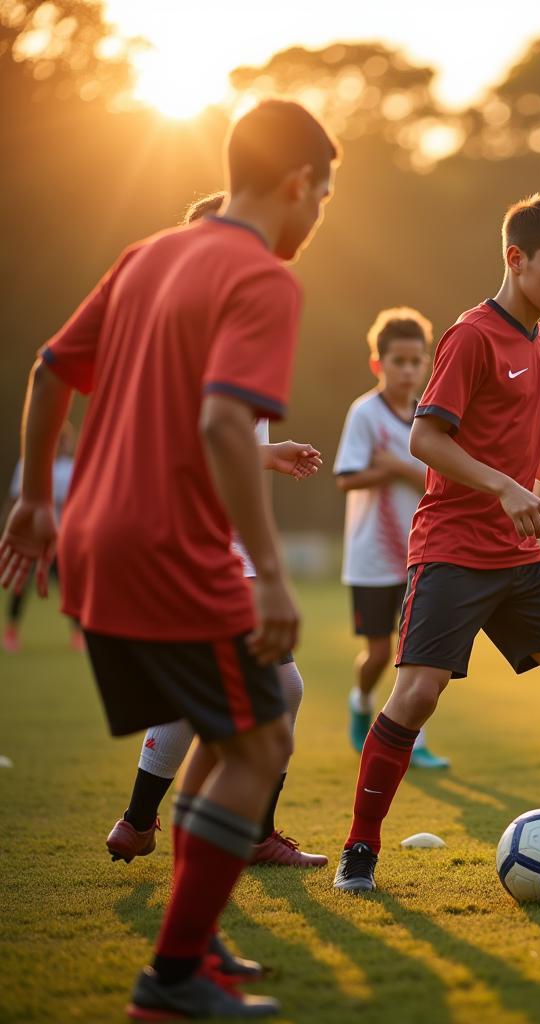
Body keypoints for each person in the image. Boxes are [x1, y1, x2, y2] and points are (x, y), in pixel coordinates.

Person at [0, 99, 337, 1018]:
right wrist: (268, 573)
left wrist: (35, 499)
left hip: (95, 539)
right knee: (264, 733)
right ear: (299, 182)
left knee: (233, 733)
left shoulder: (149, 254)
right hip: (167, 546)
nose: (317, 222)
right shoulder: (264, 279)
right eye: (324, 199)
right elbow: (225, 423)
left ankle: (196, 946)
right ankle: (174, 979)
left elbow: (47, 368)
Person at [331, 193, 540, 895]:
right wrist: (504, 487)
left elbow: (529, 443)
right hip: (453, 547)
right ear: (514, 259)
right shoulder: (470, 336)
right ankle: (359, 849)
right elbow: (426, 438)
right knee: (417, 695)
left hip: (518, 553)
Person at [104, 193, 329, 872]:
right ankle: (228, 838)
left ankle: (142, 823)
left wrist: (269, 451)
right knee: (271, 694)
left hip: (205, 538)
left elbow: (216, 436)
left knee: (242, 692)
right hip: (195, 541)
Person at [334, 307, 450, 769]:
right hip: (371, 558)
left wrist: (399, 466)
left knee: (416, 657)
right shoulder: (365, 413)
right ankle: (361, 701)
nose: (407, 369)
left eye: (415, 360)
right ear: (378, 363)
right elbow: (346, 477)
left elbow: (438, 479)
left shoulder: (432, 418)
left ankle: (413, 742)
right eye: (398, 361)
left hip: (422, 554)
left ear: (426, 364)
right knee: (379, 653)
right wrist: (393, 470)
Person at [3, 421, 82, 652]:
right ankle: (11, 631)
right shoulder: (28, 464)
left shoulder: (70, 469)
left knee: (70, 586)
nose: (62, 445)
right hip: (32, 539)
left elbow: (76, 506)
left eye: (64, 440)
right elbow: (14, 499)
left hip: (60, 541)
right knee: (21, 583)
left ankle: (78, 634)